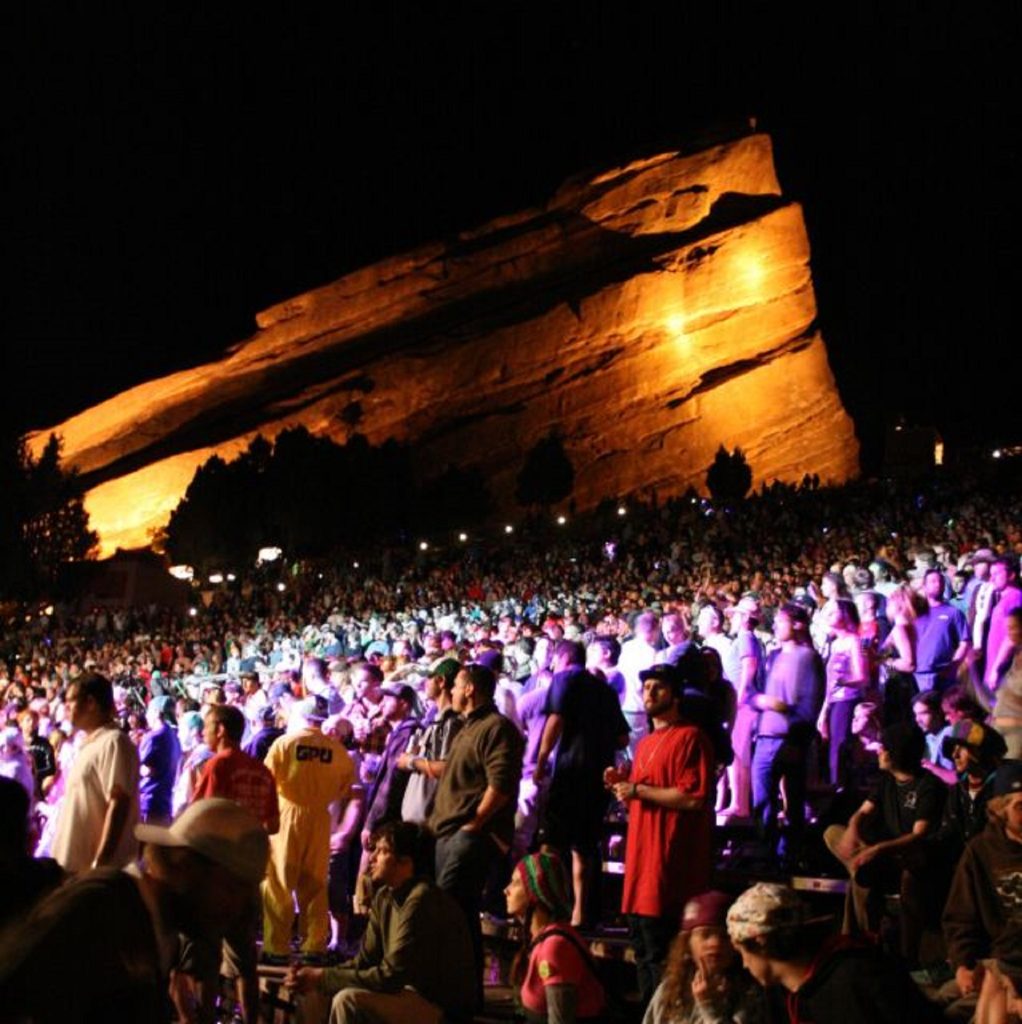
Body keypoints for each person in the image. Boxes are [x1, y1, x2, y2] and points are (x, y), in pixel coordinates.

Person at [0, 798, 269, 1023]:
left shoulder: (156, 934)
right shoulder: (100, 910)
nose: (238, 910)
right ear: (185, 866)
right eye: (232, 889)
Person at [286, 821, 476, 1024]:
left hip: (437, 1006)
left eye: (383, 851)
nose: (373, 857)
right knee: (313, 991)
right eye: (374, 850)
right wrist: (315, 977)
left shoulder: (422, 899)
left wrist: (322, 977)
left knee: (347, 1000)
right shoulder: (385, 896)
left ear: (406, 861)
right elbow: (364, 962)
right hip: (404, 993)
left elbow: (390, 976)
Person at [604, 661, 715, 1006]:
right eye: (647, 687)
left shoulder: (691, 737)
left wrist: (636, 790)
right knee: (644, 955)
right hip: (641, 868)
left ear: (676, 695)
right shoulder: (647, 742)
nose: (650, 693)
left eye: (659, 688)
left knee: (663, 960)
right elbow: (643, 799)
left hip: (666, 871)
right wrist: (622, 788)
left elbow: (693, 797)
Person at [429, 662, 525, 1009]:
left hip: (469, 835)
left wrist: (475, 824)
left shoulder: (497, 728)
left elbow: (500, 784)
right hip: (450, 833)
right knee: (462, 914)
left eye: (455, 684)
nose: (450, 691)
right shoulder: (468, 728)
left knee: (448, 907)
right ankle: (466, 996)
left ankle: (452, 995)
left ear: (470, 689)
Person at [726, 882, 944, 1022]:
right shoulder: (783, 994)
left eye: (743, 952)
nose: (744, 964)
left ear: (760, 941)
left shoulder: (857, 975)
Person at [824, 721, 945, 964]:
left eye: (883, 748)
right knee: (832, 833)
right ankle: (861, 869)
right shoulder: (886, 781)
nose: (878, 752)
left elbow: (918, 836)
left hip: (909, 858)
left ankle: (858, 938)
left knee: (862, 876)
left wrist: (876, 850)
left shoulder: (928, 785)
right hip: (881, 856)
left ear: (896, 752)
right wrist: (853, 829)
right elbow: (862, 813)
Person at [534, 639, 629, 927]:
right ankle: (580, 915)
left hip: (570, 771)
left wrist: (540, 759)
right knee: (584, 847)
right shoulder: (605, 689)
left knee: (551, 842)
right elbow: (623, 738)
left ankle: (547, 909)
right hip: (597, 776)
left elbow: (555, 720)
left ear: (562, 658)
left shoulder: (565, 678)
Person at [263, 694, 357, 962]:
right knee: (315, 884)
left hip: (287, 814)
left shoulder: (285, 743)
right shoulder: (337, 750)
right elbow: (345, 787)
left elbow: (267, 781)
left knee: (279, 881)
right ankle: (314, 945)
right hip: (319, 817)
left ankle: (277, 947)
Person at [942, 760, 1022, 1022]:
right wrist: (963, 964)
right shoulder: (982, 851)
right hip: (994, 961)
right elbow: (961, 915)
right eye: (1020, 806)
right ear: (1000, 810)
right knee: (941, 1003)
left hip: (1013, 967)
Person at [750, 602, 824, 864]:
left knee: (793, 802)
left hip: (790, 738)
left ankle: (790, 853)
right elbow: (757, 692)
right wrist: (760, 702)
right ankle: (766, 851)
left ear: (798, 624)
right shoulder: (774, 656)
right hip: (766, 737)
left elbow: (811, 702)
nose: (774, 626)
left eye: (780, 621)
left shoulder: (809, 658)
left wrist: (798, 737)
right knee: (762, 800)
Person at [51, 672, 140, 874]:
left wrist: (100, 864)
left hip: (92, 872)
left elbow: (118, 803)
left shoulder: (114, 741)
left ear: (90, 703)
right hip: (74, 868)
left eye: (70, 701)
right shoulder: (89, 743)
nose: (65, 708)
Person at [504, 850, 607, 1024]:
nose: (506, 890)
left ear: (536, 893)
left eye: (515, 883)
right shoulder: (541, 938)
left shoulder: (555, 947)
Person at [642, 890, 768, 1024]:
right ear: (687, 942)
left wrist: (710, 1008)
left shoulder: (750, 992)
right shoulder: (670, 989)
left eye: (725, 936)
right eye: (705, 935)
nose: (715, 943)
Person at [817, 597, 869, 787]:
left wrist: (844, 680)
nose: (829, 614)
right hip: (833, 701)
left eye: (834, 611)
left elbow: (862, 676)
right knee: (832, 747)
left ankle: (841, 788)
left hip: (847, 700)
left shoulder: (853, 641)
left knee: (839, 747)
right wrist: (824, 710)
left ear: (846, 614)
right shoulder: (834, 643)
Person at [722, 596, 764, 819]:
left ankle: (739, 804)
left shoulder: (745, 638)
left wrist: (738, 698)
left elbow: (749, 667)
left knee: (739, 755)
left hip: (744, 704)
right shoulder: (748, 638)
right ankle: (739, 802)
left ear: (744, 618)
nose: (732, 618)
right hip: (745, 702)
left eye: (736, 614)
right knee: (740, 755)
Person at [914, 567, 970, 694]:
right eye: (933, 581)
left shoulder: (953, 612)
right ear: (924, 586)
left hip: (943, 673)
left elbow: (964, 642)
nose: (937, 584)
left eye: (940, 581)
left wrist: (954, 665)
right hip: (917, 673)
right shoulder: (916, 612)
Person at [139, 694, 182, 825]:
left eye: (148, 711)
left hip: (149, 801)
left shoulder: (154, 737)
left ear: (157, 713)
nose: (146, 716)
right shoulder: (174, 736)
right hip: (165, 802)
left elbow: (147, 770)